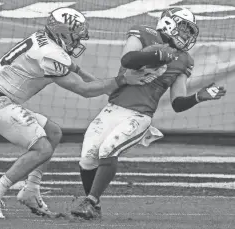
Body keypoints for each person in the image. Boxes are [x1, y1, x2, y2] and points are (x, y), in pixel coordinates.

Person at [0, 7, 130, 219]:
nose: (77, 42)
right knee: (42, 148)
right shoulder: (50, 54)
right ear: (62, 33)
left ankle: (31, 190)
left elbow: (78, 72)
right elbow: (83, 90)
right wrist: (121, 82)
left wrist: (111, 89)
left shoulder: (45, 41)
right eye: (75, 37)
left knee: (52, 132)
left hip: (1, 101)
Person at [70, 7, 227, 220]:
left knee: (108, 149)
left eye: (189, 31)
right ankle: (93, 204)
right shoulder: (143, 33)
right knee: (88, 159)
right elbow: (127, 60)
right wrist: (156, 54)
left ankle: (90, 201)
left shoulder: (184, 60)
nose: (187, 35)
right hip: (114, 108)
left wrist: (199, 96)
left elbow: (177, 104)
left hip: (140, 115)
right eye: (183, 28)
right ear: (169, 23)